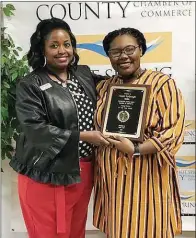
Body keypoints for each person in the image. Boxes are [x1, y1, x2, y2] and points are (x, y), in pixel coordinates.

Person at [9, 17, 109, 238]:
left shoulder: (83, 74)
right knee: (48, 233)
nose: (62, 50)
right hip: (45, 174)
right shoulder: (30, 84)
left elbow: (115, 89)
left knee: (75, 231)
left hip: (82, 171)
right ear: (42, 49)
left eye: (67, 44)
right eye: (54, 45)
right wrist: (84, 136)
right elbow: (35, 129)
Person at [93, 27, 185, 238]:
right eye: (115, 52)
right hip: (112, 179)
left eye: (129, 49)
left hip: (147, 175)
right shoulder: (104, 87)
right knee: (119, 229)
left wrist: (135, 148)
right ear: (108, 56)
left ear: (141, 50)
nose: (123, 56)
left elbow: (174, 132)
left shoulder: (162, 84)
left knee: (149, 227)